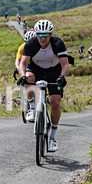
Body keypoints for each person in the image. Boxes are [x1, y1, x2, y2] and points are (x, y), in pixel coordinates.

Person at [18, 19, 69, 152]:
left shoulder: (58, 43)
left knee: (55, 102)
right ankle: (33, 108)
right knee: (28, 78)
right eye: (40, 35)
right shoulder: (31, 43)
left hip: (54, 71)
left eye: (46, 35)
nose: (43, 38)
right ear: (36, 34)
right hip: (36, 70)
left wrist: (62, 77)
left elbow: (65, 65)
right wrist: (22, 76)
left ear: (51, 34)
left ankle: (53, 138)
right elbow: (22, 64)